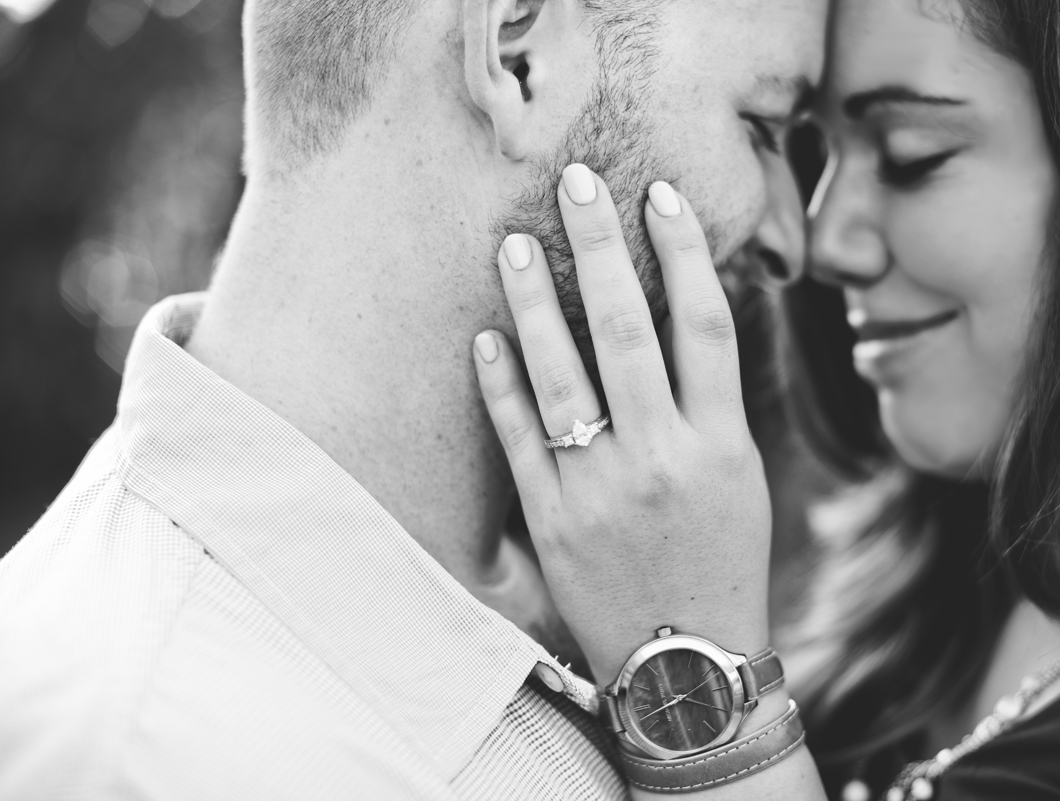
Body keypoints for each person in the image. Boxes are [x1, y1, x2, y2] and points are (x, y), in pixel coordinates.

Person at [0, 0, 826, 798]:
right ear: (514, 55)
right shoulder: (131, 752)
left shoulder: (613, 572)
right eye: (762, 125)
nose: (793, 240)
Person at [473, 0, 1060, 798]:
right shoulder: (886, 591)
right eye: (814, 152)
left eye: (909, 154)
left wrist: (694, 673)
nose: (825, 241)